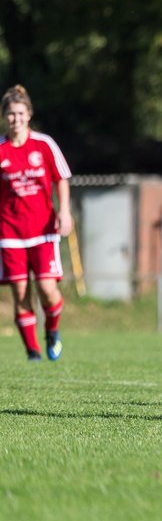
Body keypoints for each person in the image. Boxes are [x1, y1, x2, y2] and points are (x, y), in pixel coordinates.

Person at [0, 85, 73, 362]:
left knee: (47, 288)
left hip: (43, 232)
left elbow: (61, 178)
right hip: (10, 232)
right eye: (10, 114)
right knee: (20, 293)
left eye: (20, 113)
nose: (15, 119)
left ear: (29, 115)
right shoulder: (1, 150)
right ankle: (33, 353)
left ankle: (52, 330)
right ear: (4, 117)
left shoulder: (43, 144)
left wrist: (64, 211)